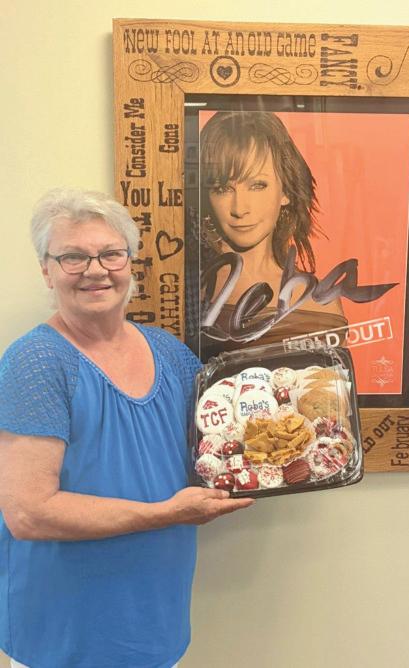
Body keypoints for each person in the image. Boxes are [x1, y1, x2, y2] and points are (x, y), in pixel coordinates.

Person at [0, 189, 254, 668]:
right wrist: (166, 513)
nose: (95, 270)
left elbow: (220, 444)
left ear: (130, 263)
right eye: (73, 257)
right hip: (65, 634)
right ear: (47, 270)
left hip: (155, 619)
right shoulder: (36, 362)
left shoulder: (170, 353)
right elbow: (29, 513)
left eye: (110, 254)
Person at [198, 110, 347, 357]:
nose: (239, 209)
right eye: (222, 188)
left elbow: (334, 379)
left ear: (285, 191)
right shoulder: (190, 288)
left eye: (257, 185)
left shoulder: (318, 301)